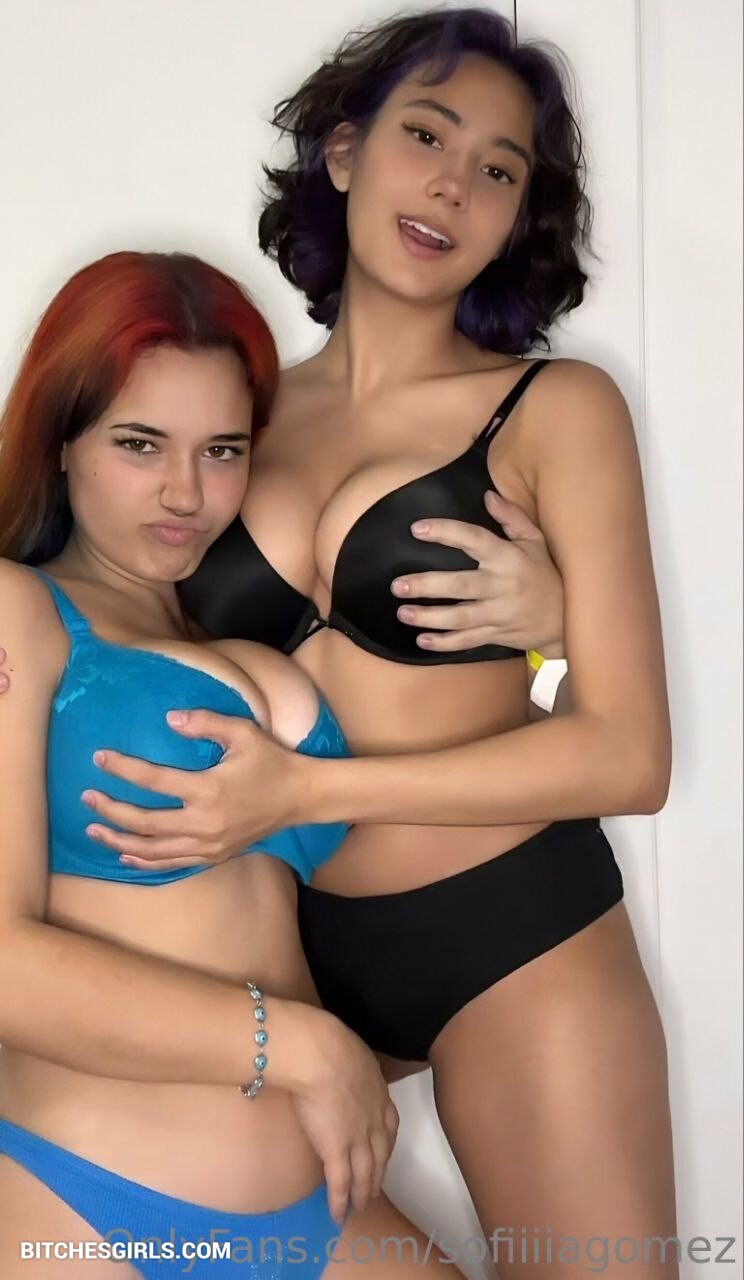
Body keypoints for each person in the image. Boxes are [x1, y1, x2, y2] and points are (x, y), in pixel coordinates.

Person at [0, 8, 678, 1277]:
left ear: (519, 216)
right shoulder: (235, 412)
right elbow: (116, 625)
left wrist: (554, 644)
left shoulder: (553, 408)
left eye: (498, 169)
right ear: (346, 152)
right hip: (296, 960)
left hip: (506, 929)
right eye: (426, 136)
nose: (453, 186)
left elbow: (632, 756)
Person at [0, 250, 464, 1280]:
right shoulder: (14, 612)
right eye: (139, 444)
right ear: (63, 439)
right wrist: (301, 1048)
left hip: (322, 1211)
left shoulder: (245, 637)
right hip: (89, 1209)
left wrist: (546, 646)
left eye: (222, 449)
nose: (185, 490)